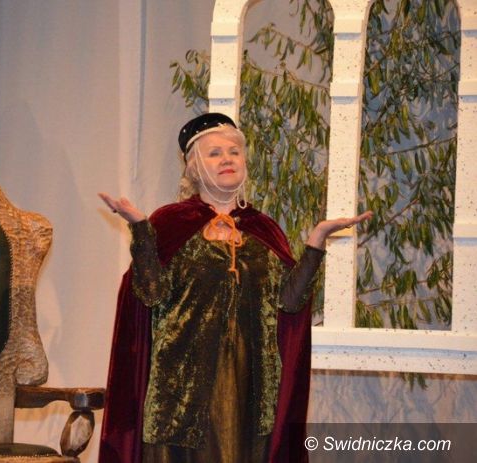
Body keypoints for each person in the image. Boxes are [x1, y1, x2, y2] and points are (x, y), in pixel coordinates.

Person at [97, 113, 371, 463]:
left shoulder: (263, 229)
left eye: (234, 152)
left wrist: (316, 240)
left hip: (249, 393)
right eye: (214, 153)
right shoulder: (170, 223)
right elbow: (151, 294)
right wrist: (140, 229)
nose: (227, 159)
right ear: (194, 168)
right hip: (182, 395)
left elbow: (290, 302)